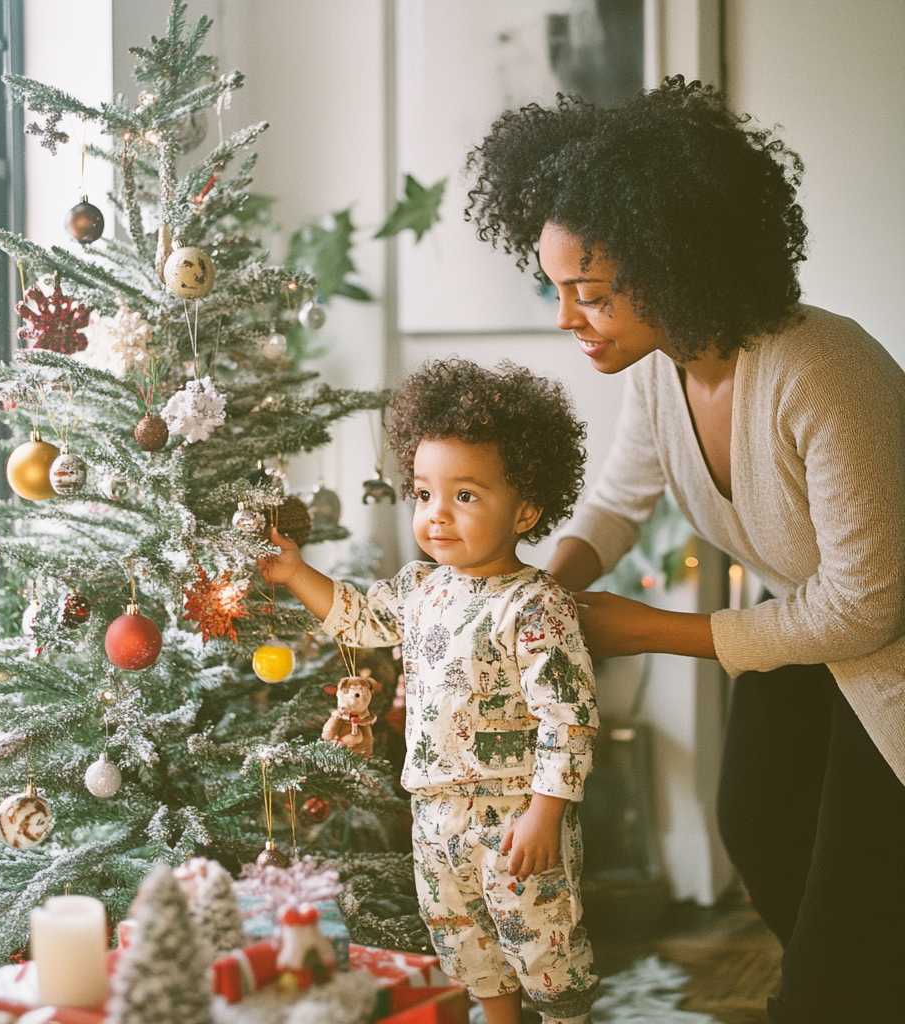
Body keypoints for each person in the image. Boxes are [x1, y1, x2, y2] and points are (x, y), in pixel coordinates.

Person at [464, 76, 905, 1024]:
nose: (565, 318)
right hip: (819, 641)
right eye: (556, 289)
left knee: (850, 930)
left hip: (890, 654)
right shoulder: (664, 374)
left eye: (589, 293)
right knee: (757, 826)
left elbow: (870, 607)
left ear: (676, 264)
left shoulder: (822, 369)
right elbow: (616, 507)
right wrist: (521, 600)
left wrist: (649, 629)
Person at [259, 359, 600, 1024]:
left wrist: (545, 815)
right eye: (423, 494)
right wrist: (296, 572)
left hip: (515, 815)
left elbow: (569, 716)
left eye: (465, 496)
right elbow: (356, 617)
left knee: (543, 949)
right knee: (468, 949)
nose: (437, 515)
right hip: (434, 815)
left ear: (526, 507)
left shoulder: (536, 605)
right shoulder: (419, 588)